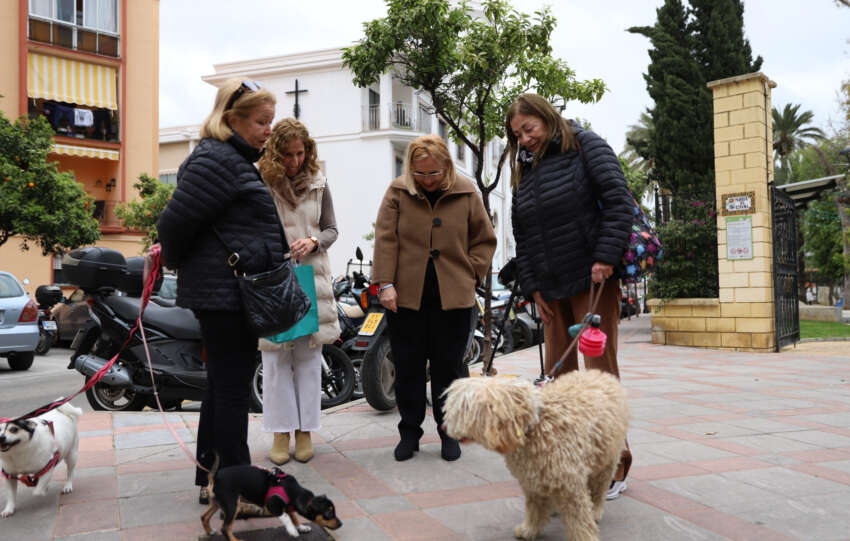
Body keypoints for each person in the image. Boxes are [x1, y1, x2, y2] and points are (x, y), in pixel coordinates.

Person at [157, 79, 281, 504]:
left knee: (221, 387)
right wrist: (179, 261)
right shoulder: (218, 160)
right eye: (262, 122)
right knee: (231, 392)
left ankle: (211, 479)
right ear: (232, 120)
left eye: (271, 121)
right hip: (227, 296)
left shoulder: (228, 159)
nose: (269, 130)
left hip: (229, 294)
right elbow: (173, 225)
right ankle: (238, 486)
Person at [505, 93, 634, 499]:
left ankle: (614, 463)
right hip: (549, 286)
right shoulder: (525, 169)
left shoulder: (585, 144)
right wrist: (533, 288)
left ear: (547, 118)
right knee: (558, 380)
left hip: (591, 278)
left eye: (529, 129)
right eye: (517, 134)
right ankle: (570, 462)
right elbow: (521, 236)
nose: (524, 139)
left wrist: (604, 258)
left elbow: (619, 202)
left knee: (598, 375)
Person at [373, 134, 496, 462]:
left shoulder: (467, 192)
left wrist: (471, 273)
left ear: (446, 166)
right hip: (405, 296)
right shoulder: (398, 191)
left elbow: (484, 240)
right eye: (421, 174)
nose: (427, 181)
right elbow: (385, 238)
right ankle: (409, 432)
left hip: (453, 295)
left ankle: (450, 432)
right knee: (408, 365)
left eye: (434, 173)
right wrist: (385, 283)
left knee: (449, 367)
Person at [256, 118, 340, 464]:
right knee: (275, 360)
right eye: (288, 154)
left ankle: (305, 431)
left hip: (310, 279)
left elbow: (333, 229)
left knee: (308, 360)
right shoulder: (261, 183)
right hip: (273, 280)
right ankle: (279, 432)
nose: (294, 161)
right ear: (275, 153)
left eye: (300, 153)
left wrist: (314, 240)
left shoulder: (320, 184)